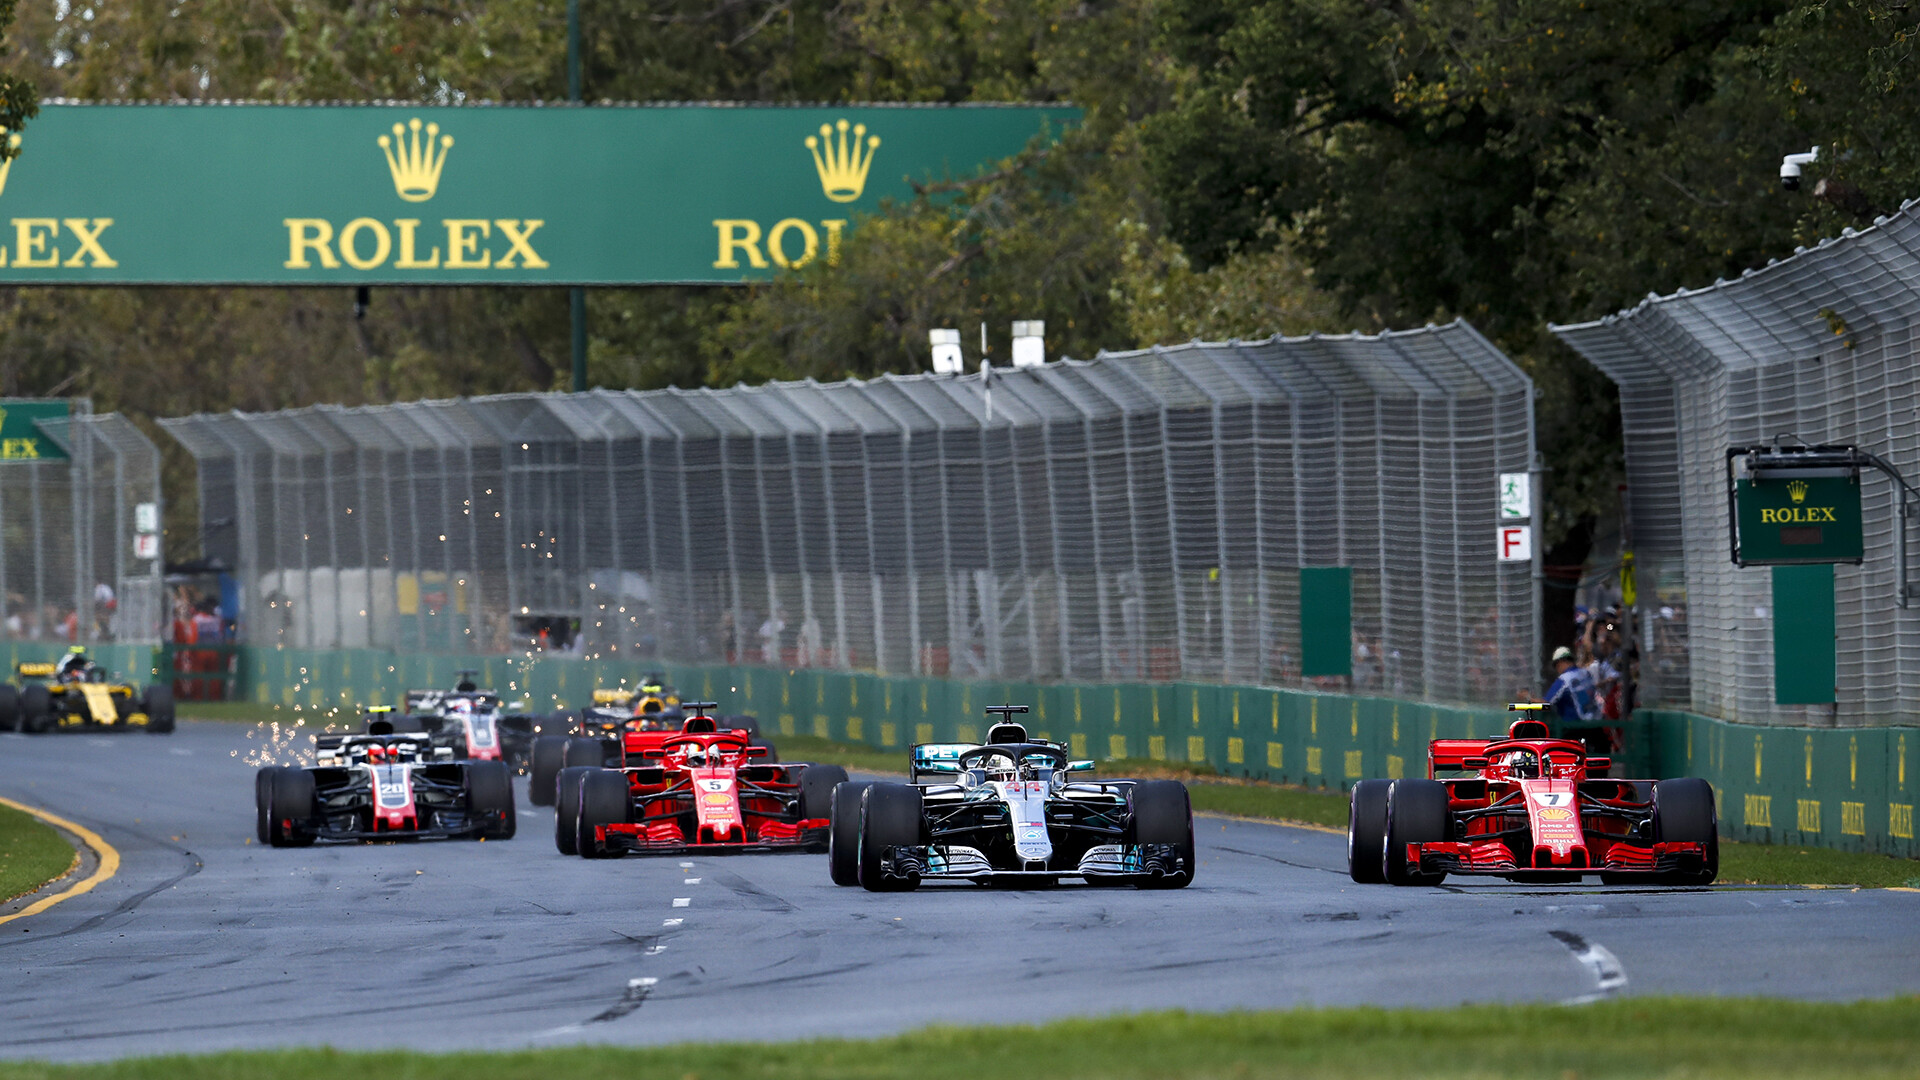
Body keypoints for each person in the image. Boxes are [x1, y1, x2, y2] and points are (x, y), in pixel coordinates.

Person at [1544, 645, 1598, 725]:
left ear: (1561, 662)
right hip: (1597, 723)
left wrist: (1528, 698)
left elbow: (1546, 703)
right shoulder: (1586, 673)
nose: (1557, 669)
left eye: (1556, 665)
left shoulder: (1564, 679)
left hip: (1575, 728)